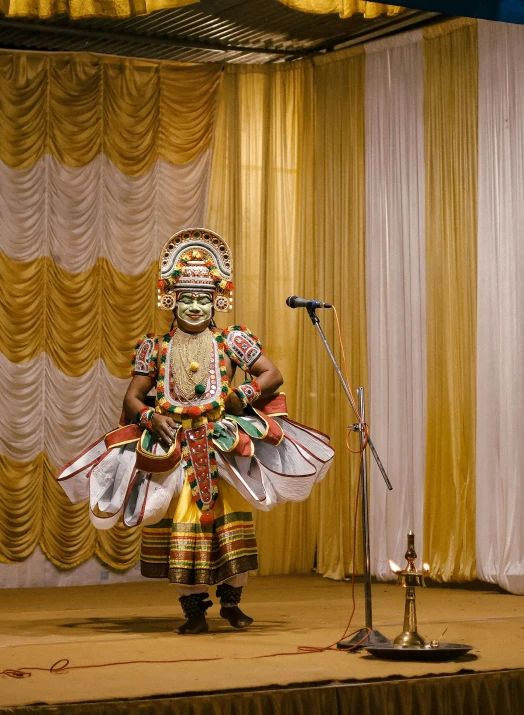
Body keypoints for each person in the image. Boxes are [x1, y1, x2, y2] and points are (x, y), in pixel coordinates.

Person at [57, 228, 334, 635]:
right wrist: (151, 418)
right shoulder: (156, 346)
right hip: (176, 449)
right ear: (171, 300)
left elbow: (272, 374)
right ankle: (194, 612)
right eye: (186, 298)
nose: (194, 306)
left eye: (203, 299)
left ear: (217, 300)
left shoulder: (231, 340)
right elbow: (132, 399)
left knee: (233, 523)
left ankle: (233, 605)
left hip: (224, 447)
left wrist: (244, 392)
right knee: (186, 524)